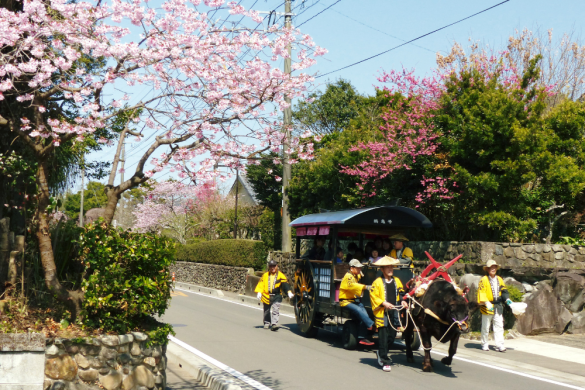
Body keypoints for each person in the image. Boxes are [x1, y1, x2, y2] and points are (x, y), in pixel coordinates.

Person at [370, 256, 408, 372]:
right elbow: (373, 296)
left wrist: (403, 301)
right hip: (382, 312)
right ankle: (385, 360)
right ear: (382, 269)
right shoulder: (377, 282)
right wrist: (383, 303)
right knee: (383, 336)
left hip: (393, 311)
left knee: (392, 336)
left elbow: (401, 292)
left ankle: (381, 352)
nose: (390, 269)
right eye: (387, 267)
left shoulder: (396, 280)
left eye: (391, 267)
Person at [477, 259, 511, 352]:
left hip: (498, 306)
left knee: (499, 326)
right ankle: (484, 344)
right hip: (487, 306)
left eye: (494, 267)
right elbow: (481, 292)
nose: (493, 269)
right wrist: (486, 302)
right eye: (491, 267)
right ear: (487, 269)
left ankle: (500, 344)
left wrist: (507, 299)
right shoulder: (483, 279)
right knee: (486, 326)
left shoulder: (499, 279)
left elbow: (504, 290)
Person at [339, 259, 375, 346]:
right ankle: (371, 325)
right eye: (358, 268)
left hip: (354, 301)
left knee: (363, 312)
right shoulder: (348, 276)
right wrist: (365, 287)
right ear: (352, 268)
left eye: (360, 268)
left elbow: (361, 276)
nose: (359, 269)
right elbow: (352, 286)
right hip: (345, 301)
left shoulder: (355, 275)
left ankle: (363, 337)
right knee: (359, 310)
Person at [255, 260, 294, 331]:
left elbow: (285, 284)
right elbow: (261, 284)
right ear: (269, 267)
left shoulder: (280, 275)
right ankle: (267, 323)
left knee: (275, 309)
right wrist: (259, 292)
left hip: (277, 295)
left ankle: (274, 324)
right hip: (267, 295)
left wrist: (289, 291)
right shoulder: (265, 275)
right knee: (266, 310)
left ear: (277, 266)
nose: (272, 268)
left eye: (274, 266)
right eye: (271, 266)